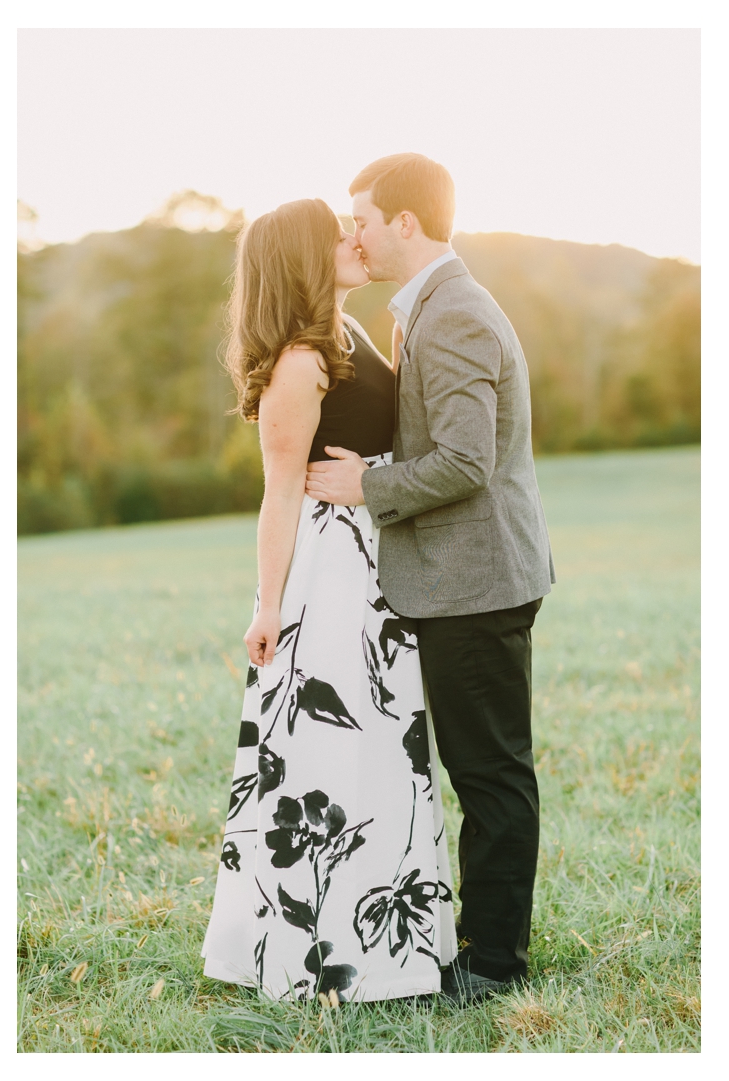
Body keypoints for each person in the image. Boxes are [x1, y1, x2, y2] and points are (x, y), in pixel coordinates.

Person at [305, 154, 554, 1005]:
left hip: (476, 579)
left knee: (488, 774)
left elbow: (463, 462)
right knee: (479, 769)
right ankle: (484, 941)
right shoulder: (426, 308)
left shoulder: (452, 316)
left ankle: (492, 964)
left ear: (404, 223)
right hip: (461, 577)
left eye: (363, 218)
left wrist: (364, 485)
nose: (355, 234)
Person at [200, 196, 456, 1004]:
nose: (354, 238)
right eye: (335, 234)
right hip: (331, 574)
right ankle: (324, 951)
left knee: (386, 745)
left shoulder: (349, 334)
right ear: (304, 261)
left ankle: (395, 944)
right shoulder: (299, 360)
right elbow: (281, 494)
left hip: (379, 563)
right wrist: (266, 606)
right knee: (332, 748)